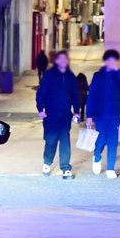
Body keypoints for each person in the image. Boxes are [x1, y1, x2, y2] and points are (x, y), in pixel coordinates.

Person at [87, 49, 120, 179]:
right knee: (101, 139)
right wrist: (89, 115)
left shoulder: (118, 75)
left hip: (115, 114)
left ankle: (110, 168)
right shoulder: (98, 76)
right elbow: (92, 96)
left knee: (113, 141)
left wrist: (118, 71)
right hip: (100, 114)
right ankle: (97, 156)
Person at [35, 51, 80, 180]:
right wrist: (40, 109)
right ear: (56, 61)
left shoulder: (71, 77)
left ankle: (65, 167)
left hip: (65, 114)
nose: (63, 61)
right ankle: (47, 162)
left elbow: (75, 95)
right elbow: (40, 93)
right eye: (60, 59)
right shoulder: (49, 76)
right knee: (51, 140)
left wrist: (76, 111)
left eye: (65, 59)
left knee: (65, 140)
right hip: (50, 114)